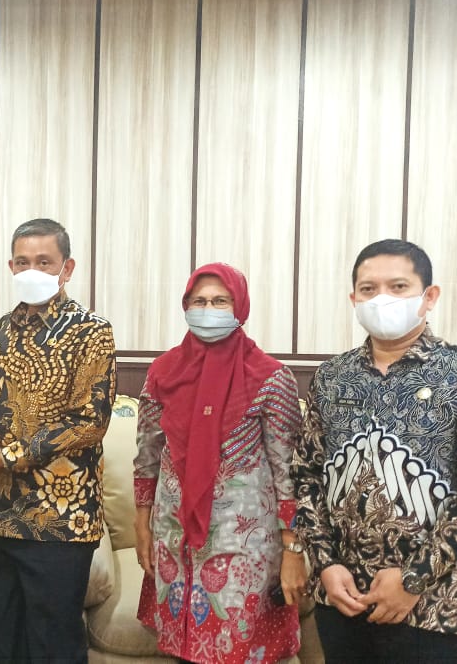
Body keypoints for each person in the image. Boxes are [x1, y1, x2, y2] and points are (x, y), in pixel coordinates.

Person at [291, 239, 457, 664]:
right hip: (341, 595)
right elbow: (306, 476)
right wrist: (324, 563)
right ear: (354, 299)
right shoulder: (332, 377)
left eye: (398, 287)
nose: (382, 299)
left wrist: (414, 578)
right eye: (369, 289)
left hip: (432, 603)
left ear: (429, 296)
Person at [0, 218, 116, 663]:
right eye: (22, 262)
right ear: (11, 267)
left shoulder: (91, 331)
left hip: (57, 522)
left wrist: (2, 457)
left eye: (44, 261)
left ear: (67, 268)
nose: (31, 270)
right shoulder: (6, 326)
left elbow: (89, 422)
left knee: (54, 649)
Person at [133, 263, 306, 663]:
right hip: (173, 536)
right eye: (199, 301)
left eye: (220, 301)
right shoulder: (163, 372)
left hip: (243, 541)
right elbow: (146, 455)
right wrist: (141, 523)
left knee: (237, 648)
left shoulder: (271, 377)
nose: (208, 310)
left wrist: (293, 548)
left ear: (239, 306)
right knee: (184, 649)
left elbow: (289, 473)